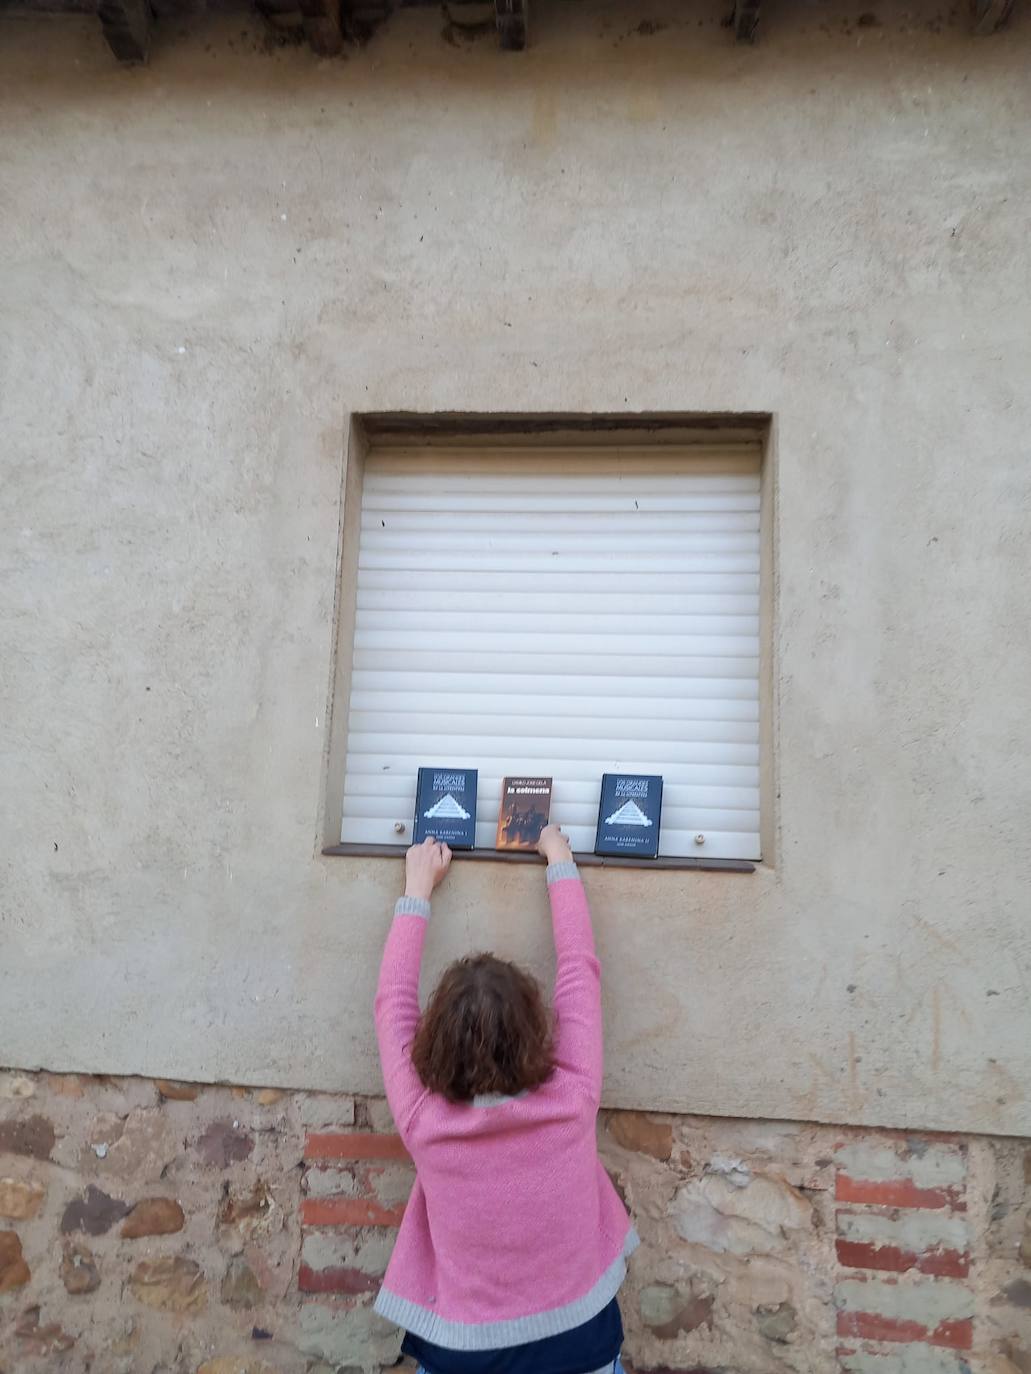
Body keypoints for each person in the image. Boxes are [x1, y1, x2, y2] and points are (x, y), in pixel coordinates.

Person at [373, 827, 637, 1374]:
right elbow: (580, 973)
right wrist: (560, 860)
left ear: (434, 1036)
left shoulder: (424, 1121)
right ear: (533, 1026)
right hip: (579, 1343)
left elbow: (391, 1004)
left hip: (463, 1354)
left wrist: (416, 890)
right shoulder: (572, 1097)